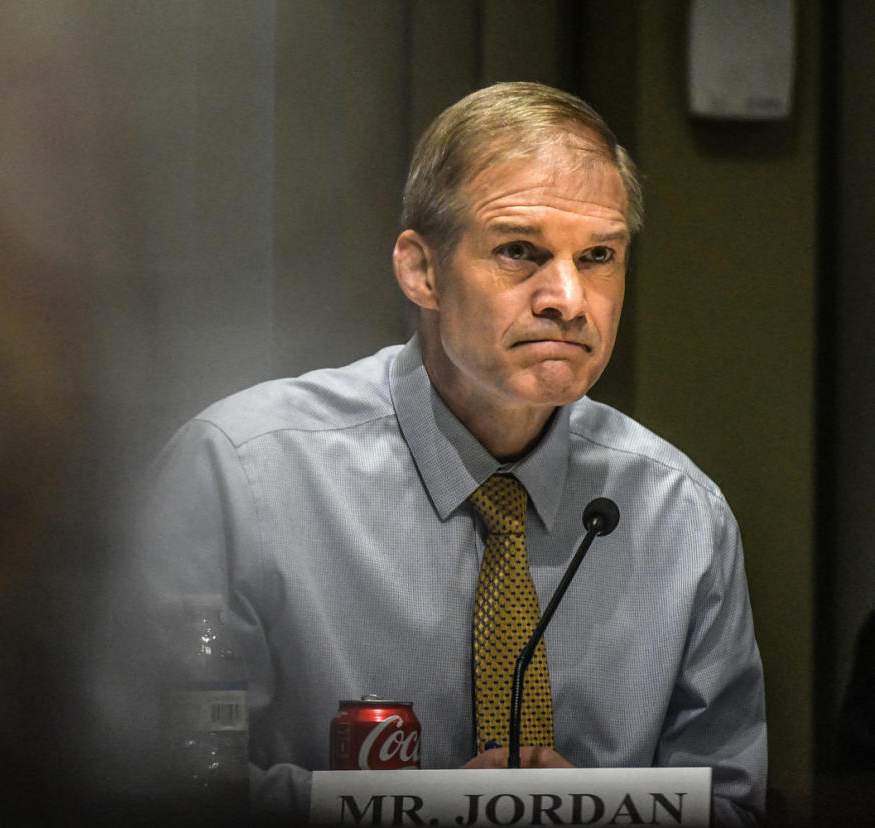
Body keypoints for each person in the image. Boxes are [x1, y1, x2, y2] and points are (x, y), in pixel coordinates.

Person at [132, 81, 766, 826]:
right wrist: (437, 812)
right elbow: (166, 788)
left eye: (598, 256)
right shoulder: (240, 474)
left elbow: (730, 803)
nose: (567, 296)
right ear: (421, 271)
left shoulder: (682, 514)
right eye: (519, 252)